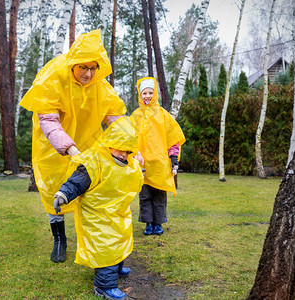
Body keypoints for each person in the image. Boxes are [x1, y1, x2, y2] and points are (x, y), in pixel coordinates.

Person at [19, 29, 127, 263]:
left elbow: (115, 116)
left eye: (92, 68)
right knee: (52, 192)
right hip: (52, 147)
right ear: (73, 64)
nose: (88, 73)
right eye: (82, 67)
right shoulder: (53, 78)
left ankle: (88, 237)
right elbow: (47, 120)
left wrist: (129, 145)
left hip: (88, 146)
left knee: (88, 192)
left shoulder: (100, 85)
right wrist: (69, 148)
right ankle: (59, 240)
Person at [53, 117, 144, 300]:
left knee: (120, 241)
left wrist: (139, 169)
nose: (123, 155)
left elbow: (134, 180)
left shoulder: (129, 163)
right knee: (106, 246)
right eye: (120, 149)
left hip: (118, 214)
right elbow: (77, 181)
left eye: (128, 151)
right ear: (109, 143)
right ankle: (104, 286)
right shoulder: (94, 161)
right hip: (97, 216)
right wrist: (63, 194)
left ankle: (116, 268)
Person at [130, 77, 186, 236]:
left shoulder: (163, 115)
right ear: (140, 95)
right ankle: (148, 224)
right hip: (143, 165)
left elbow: (173, 138)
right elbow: (129, 137)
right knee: (145, 195)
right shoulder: (136, 116)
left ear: (155, 94)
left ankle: (158, 223)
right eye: (144, 93)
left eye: (150, 92)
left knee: (160, 196)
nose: (147, 96)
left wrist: (174, 158)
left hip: (160, 165)